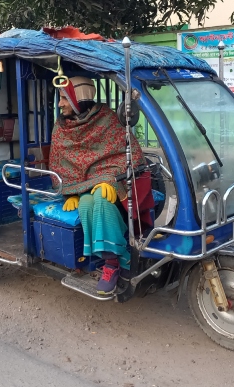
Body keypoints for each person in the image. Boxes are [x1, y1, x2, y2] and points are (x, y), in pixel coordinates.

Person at [49, 77, 153, 295]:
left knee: (102, 201)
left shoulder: (107, 119)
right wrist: (72, 192)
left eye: (63, 98)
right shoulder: (61, 129)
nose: (60, 104)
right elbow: (61, 165)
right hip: (83, 188)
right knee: (86, 203)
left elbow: (130, 156)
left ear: (78, 98)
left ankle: (114, 262)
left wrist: (112, 179)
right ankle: (118, 260)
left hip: (115, 188)